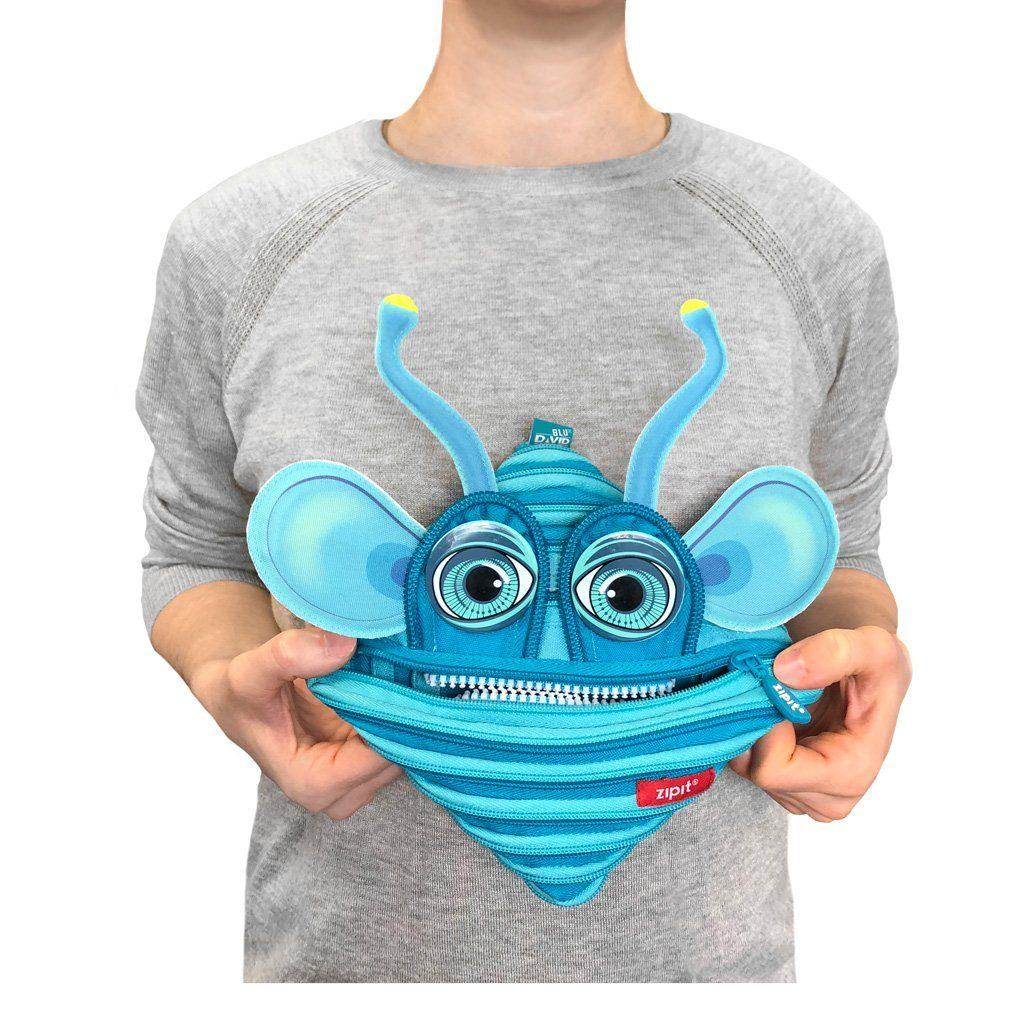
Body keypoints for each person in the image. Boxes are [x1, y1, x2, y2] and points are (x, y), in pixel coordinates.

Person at [138, 0, 911, 983]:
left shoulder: (814, 239)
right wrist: (230, 677)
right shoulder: (239, 240)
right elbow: (196, 549)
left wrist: (854, 667)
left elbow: (840, 552)